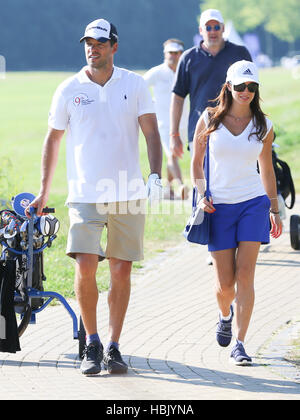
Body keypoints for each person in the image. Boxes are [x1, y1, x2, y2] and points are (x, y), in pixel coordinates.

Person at [26, 18, 162, 375]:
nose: (93, 48)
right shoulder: (69, 88)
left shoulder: (134, 84)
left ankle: (114, 346)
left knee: (120, 270)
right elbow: (53, 139)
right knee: (85, 265)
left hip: (128, 192)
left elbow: (151, 130)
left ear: (114, 46)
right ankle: (92, 342)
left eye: (100, 43)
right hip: (85, 193)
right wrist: (43, 190)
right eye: (88, 42)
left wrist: (156, 175)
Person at [191, 60, 282, 365]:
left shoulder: (264, 126)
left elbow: (267, 169)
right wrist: (202, 195)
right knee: (225, 285)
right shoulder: (208, 119)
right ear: (228, 86)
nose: (246, 92)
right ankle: (224, 314)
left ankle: (240, 344)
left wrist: (274, 208)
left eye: (252, 87)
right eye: (241, 86)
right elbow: (196, 163)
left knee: (246, 275)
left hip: (253, 203)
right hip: (218, 206)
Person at [170, 8, 252, 158]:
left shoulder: (240, 53)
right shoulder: (188, 58)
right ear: (201, 30)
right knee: (202, 178)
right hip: (200, 130)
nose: (212, 31)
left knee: (233, 179)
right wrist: (174, 134)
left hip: (236, 129)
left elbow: (252, 89)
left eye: (216, 27)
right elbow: (178, 98)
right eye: (208, 27)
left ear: (223, 28)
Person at [144, 39, 189, 200]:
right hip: (163, 123)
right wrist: (150, 104)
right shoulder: (157, 72)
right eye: (170, 53)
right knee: (171, 154)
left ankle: (168, 190)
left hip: (183, 122)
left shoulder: (185, 72)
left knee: (175, 156)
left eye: (176, 53)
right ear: (165, 54)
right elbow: (141, 87)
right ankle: (181, 185)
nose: (173, 56)